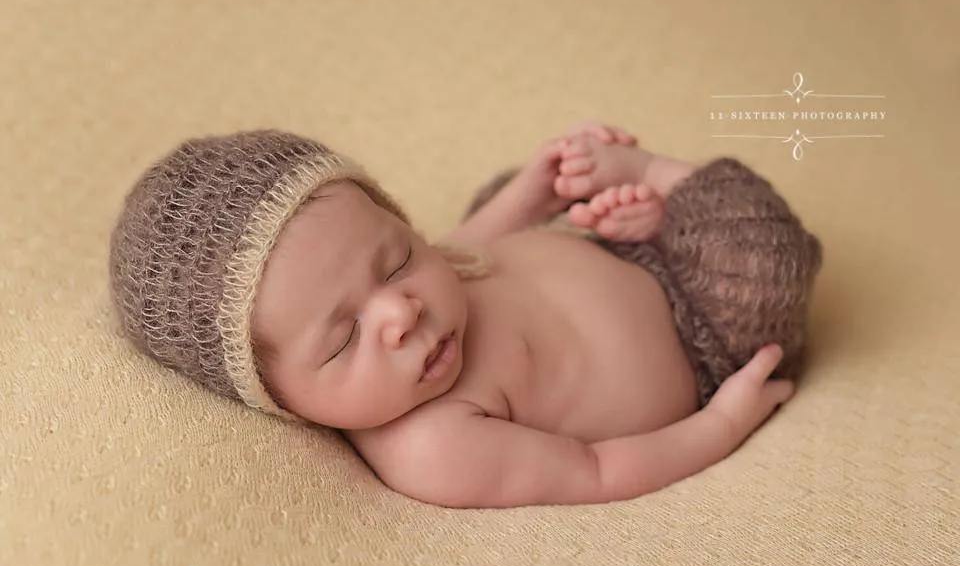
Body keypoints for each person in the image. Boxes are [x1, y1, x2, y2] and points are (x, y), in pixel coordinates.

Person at [109, 123, 822, 508]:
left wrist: (539, 192)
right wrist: (722, 422)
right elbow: (598, 470)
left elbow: (473, 241)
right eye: (344, 337)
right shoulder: (433, 445)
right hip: (701, 332)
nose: (399, 310)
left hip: (612, 251)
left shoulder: (429, 282)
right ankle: (658, 176)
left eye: (394, 260)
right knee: (765, 261)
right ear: (280, 402)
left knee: (499, 197)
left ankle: (633, 210)